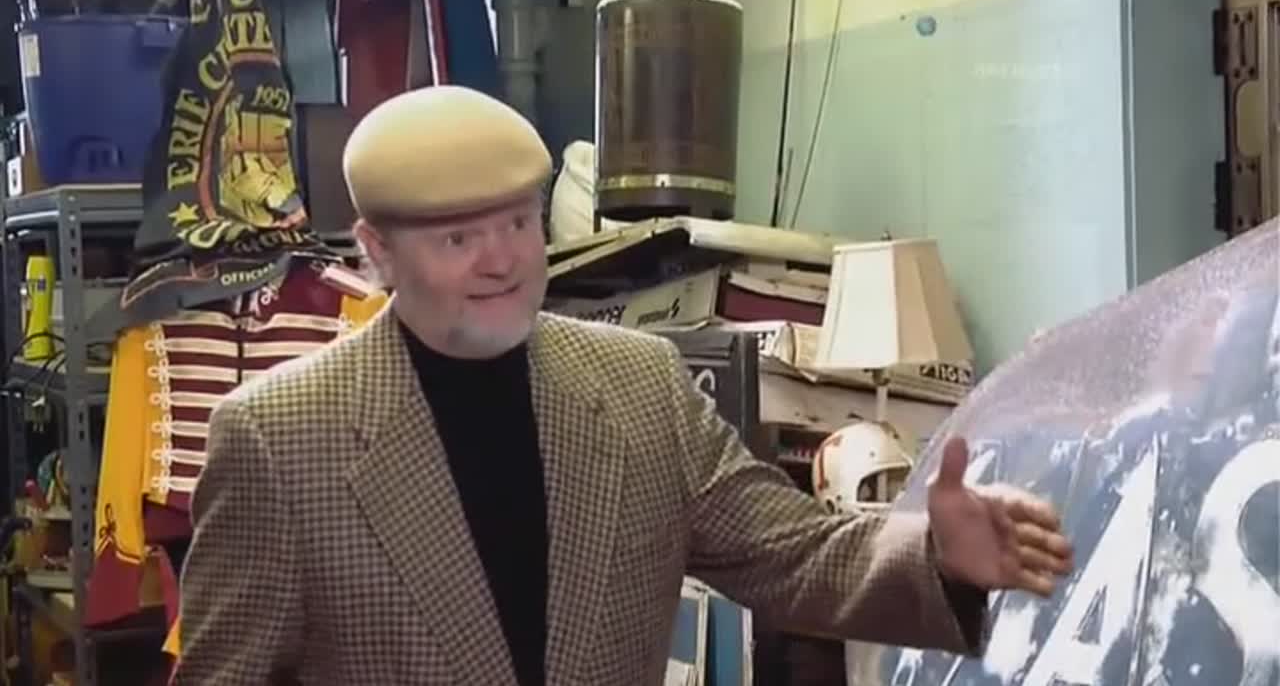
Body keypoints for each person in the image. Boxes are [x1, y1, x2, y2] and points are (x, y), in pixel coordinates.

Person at [173, 85, 1073, 685]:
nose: (501, 261)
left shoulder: (641, 385)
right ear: (376, 250)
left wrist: (938, 555)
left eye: (518, 223)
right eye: (457, 239)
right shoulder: (279, 438)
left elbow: (792, 552)